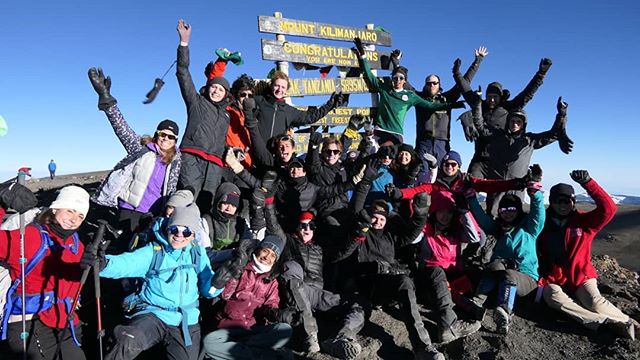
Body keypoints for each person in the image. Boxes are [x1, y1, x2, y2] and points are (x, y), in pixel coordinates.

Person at [87, 203, 222, 360]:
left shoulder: (197, 253)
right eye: (174, 229)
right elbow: (128, 263)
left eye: (186, 231)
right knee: (128, 341)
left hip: (185, 320)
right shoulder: (153, 251)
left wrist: (218, 283)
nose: (179, 235)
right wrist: (104, 263)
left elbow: (208, 290)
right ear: (167, 228)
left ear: (193, 234)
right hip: (152, 313)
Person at [88, 67, 181, 250]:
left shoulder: (176, 161)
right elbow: (121, 127)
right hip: (129, 209)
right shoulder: (141, 148)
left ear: (175, 141)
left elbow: (171, 187)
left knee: (144, 252)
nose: (166, 138)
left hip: (153, 214)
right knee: (122, 247)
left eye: (171, 137)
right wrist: (107, 100)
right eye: (163, 134)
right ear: (157, 134)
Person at [538, 170, 637, 339]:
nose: (562, 205)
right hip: (551, 277)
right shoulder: (541, 222)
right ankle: (606, 324)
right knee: (553, 297)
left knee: (594, 302)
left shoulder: (585, 222)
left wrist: (588, 183)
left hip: (580, 276)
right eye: (557, 201)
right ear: (551, 202)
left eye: (567, 200)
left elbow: (609, 209)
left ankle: (631, 323)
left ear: (574, 201)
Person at [0, 184, 87, 359]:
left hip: (65, 320)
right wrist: (1, 201)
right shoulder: (29, 238)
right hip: (30, 320)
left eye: (80, 216)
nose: (74, 219)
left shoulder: (77, 246)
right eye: (70, 210)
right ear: (55, 209)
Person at [466, 176, 545, 334]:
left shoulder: (529, 228)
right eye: (503, 210)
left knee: (509, 274)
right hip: (501, 276)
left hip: (526, 279)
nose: (507, 213)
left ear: (518, 210)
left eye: (511, 209)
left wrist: (535, 194)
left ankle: (504, 312)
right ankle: (476, 302)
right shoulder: (498, 228)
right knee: (494, 265)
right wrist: (471, 198)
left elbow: (538, 214)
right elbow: (482, 219)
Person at [352, 37, 462, 145]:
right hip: (380, 130)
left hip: (396, 134)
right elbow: (369, 75)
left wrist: (451, 105)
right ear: (392, 79)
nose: (398, 80)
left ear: (405, 81)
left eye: (401, 78)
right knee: (378, 156)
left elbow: (431, 106)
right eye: (395, 78)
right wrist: (362, 54)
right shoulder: (384, 88)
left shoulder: (410, 96)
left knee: (392, 157)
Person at [457, 57, 553, 178]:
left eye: (495, 96)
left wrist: (541, 74)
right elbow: (464, 88)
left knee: (497, 194)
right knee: (470, 187)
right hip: (480, 159)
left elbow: (527, 94)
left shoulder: (509, 108)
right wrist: (457, 72)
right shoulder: (480, 105)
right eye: (489, 96)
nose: (492, 99)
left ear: (501, 97)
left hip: (500, 159)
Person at [202, 235, 292, 360]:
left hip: (253, 330)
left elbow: (271, 304)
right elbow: (224, 294)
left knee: (285, 329)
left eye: (273, 255)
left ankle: (239, 352)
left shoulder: (271, 281)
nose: (267, 257)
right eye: (265, 250)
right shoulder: (240, 267)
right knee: (209, 343)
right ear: (258, 249)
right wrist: (234, 271)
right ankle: (263, 355)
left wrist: (276, 313)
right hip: (228, 328)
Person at [397, 47, 488, 170]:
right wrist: (396, 62)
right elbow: (402, 82)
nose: (432, 85)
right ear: (425, 85)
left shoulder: (447, 98)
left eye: (435, 83)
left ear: (439, 85)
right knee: (421, 177)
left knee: (441, 176)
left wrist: (478, 60)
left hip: (442, 144)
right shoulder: (418, 97)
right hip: (424, 144)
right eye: (429, 83)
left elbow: (465, 81)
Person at [175, 19, 232, 213]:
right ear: (207, 88)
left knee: (206, 205)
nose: (216, 91)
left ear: (226, 94)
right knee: (187, 199)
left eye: (221, 89)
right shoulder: (196, 102)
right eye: (213, 87)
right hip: (192, 156)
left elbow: (223, 141)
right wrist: (184, 42)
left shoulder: (226, 116)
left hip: (215, 163)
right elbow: (183, 72)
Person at [414, 191, 483, 343]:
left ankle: (466, 303)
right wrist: (419, 218)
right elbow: (412, 239)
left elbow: (475, 237)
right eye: (441, 211)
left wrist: (464, 212)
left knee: (479, 273)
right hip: (430, 277)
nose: (445, 216)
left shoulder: (457, 231)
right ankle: (448, 325)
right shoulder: (426, 228)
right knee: (438, 274)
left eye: (449, 212)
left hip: (452, 276)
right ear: (434, 211)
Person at [250, 70, 344, 143]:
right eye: (277, 86)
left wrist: (329, 105)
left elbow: (310, 117)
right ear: (271, 86)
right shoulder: (258, 101)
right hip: (254, 153)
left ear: (286, 90)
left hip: (275, 156)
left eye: (283, 87)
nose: (279, 90)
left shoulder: (289, 111)